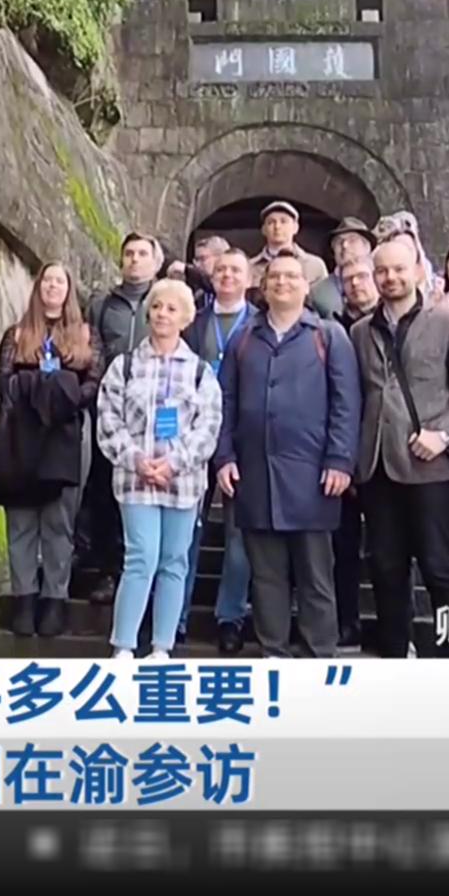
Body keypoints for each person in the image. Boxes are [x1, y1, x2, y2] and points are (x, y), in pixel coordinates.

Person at [214, 249, 361, 659]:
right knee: (266, 577)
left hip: (312, 476)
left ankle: (319, 653)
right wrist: (224, 456)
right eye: (274, 277)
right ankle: (273, 651)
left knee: (315, 575)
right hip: (255, 473)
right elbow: (224, 401)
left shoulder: (328, 335)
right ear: (262, 287)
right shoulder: (245, 338)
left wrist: (340, 460)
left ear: (305, 286)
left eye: (291, 276)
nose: (282, 282)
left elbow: (346, 403)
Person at [350, 232, 449, 659]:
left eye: (398, 269)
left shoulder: (448, 322)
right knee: (386, 568)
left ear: (419, 271)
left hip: (432, 468)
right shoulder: (360, 331)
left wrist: (443, 434)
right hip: (377, 466)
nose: (390, 277)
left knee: (441, 570)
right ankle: (395, 655)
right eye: (382, 271)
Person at [0, 263, 102, 637]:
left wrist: (63, 395)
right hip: (22, 432)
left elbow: (94, 382)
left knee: (59, 521)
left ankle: (54, 597)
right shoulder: (17, 334)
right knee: (21, 520)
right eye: (47, 280)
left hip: (66, 433)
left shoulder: (85, 334)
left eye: (60, 281)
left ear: (69, 289)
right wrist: (36, 389)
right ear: (38, 287)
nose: (53, 286)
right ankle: (24, 597)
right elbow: (3, 381)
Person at [95, 279, 224, 660]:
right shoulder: (125, 366)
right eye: (156, 307)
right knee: (141, 557)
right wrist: (136, 459)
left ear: (185, 318)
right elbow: (108, 420)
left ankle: (162, 647)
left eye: (171, 308)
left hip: (182, 483)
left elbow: (208, 427)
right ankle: (123, 645)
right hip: (135, 479)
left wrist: (175, 462)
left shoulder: (199, 371)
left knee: (174, 562)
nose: (162, 314)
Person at [77, 233, 164, 604]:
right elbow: (90, 350)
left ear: (156, 262)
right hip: (109, 409)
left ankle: (147, 574)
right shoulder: (101, 305)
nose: (135, 259)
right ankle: (109, 569)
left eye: (142, 253)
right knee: (104, 490)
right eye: (129, 253)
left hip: (154, 412)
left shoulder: (166, 299)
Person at [181, 247, 257, 653]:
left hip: (241, 439)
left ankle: (231, 616)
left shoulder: (260, 325)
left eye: (235, 270)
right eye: (221, 269)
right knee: (185, 529)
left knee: (239, 535)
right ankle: (175, 614)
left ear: (249, 278)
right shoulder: (193, 323)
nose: (227, 275)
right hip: (193, 434)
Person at [329, 251, 380, 648]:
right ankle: (345, 620)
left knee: (389, 549)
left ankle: (393, 627)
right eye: (349, 279)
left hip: (388, 450)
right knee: (342, 547)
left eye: (364, 276)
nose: (357, 284)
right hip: (346, 450)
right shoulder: (332, 328)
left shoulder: (392, 323)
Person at [248, 202, 336, 314]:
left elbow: (324, 304)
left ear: (295, 227)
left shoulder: (314, 265)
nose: (277, 226)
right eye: (271, 222)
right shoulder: (250, 267)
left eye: (283, 221)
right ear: (263, 229)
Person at [315, 218, 374, 318]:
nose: (345, 246)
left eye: (352, 240)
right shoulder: (319, 293)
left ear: (367, 247)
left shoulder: (381, 278)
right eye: (339, 242)